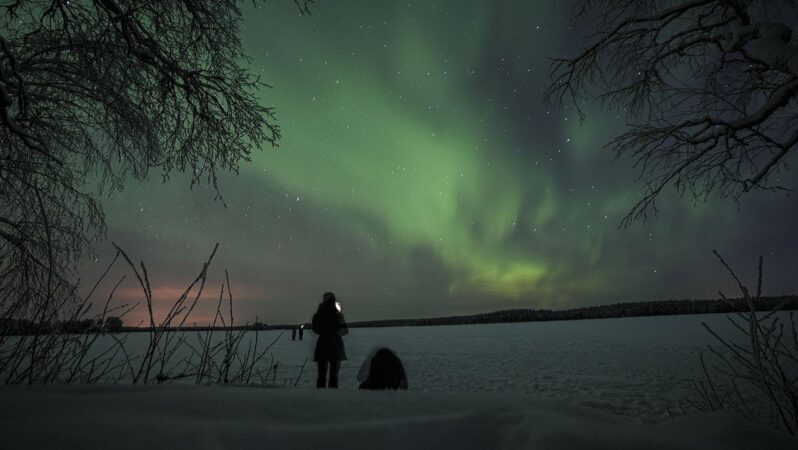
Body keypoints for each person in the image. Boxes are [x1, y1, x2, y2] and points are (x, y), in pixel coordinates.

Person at [311, 292, 348, 388]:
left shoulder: (318, 315)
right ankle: (332, 397)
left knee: (322, 377)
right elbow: (345, 330)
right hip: (334, 345)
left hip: (323, 345)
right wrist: (335, 332)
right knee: (333, 377)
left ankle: (322, 397)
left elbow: (315, 329)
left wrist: (325, 332)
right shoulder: (337, 315)